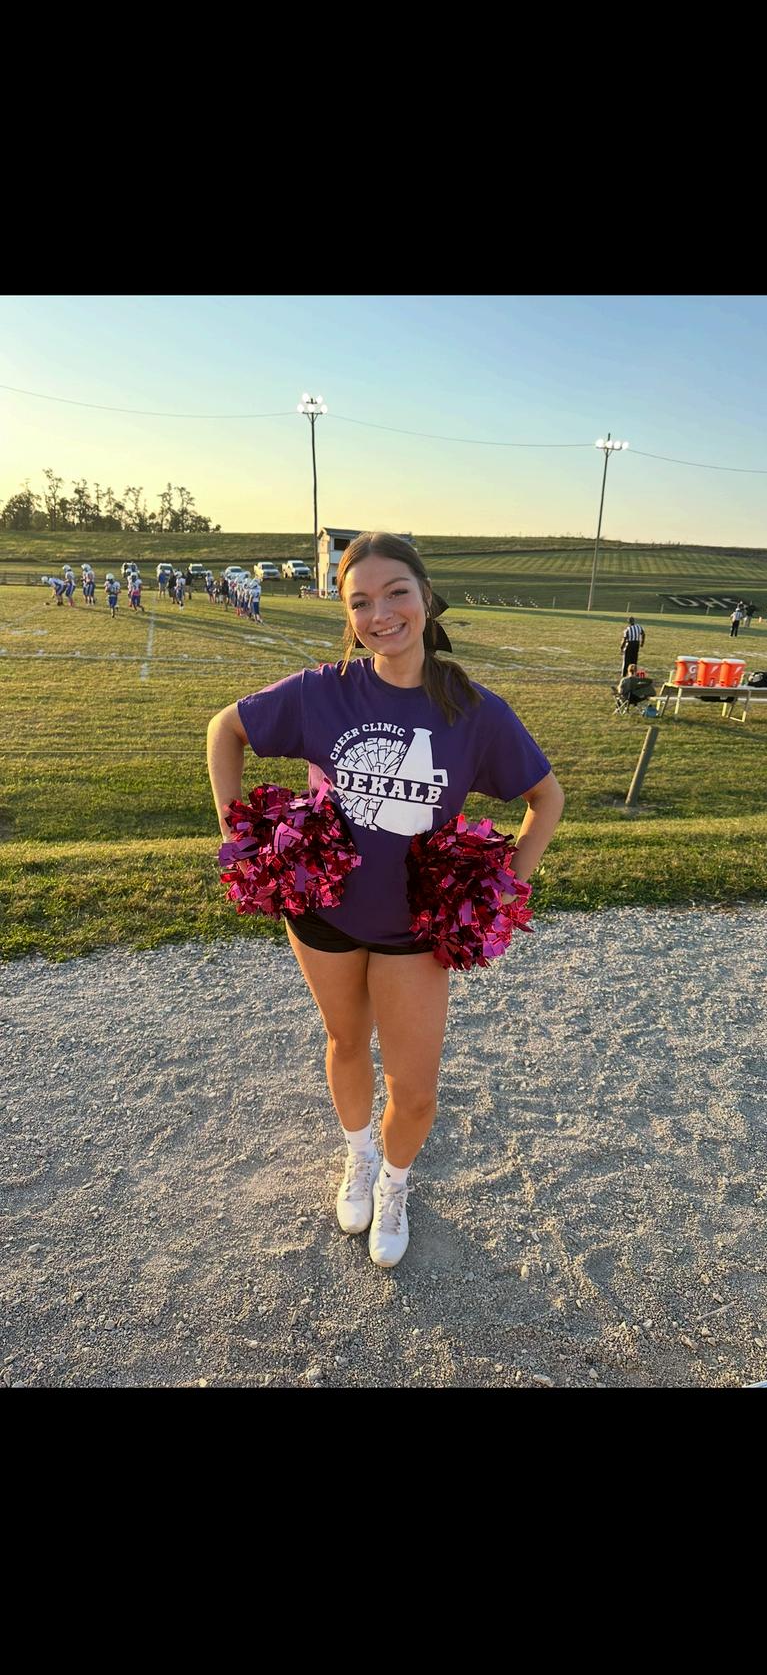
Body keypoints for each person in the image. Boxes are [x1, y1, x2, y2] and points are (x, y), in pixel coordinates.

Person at [207, 532, 564, 1270]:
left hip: (414, 928)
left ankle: (395, 1184)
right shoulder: (322, 691)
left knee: (416, 1089)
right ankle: (359, 1154)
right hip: (324, 914)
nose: (381, 613)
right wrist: (242, 838)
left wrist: (499, 890)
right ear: (348, 614)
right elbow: (226, 729)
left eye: (396, 592)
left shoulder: (473, 710)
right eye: (361, 601)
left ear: (425, 597)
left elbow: (545, 798)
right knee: (345, 1041)